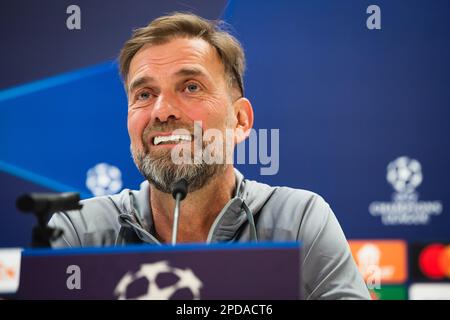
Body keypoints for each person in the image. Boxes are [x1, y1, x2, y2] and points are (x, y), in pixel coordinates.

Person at [49, 12, 370, 300]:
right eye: (144, 94)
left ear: (240, 120)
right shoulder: (78, 229)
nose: (162, 112)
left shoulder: (299, 221)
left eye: (190, 87)